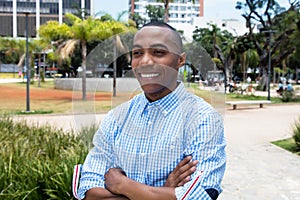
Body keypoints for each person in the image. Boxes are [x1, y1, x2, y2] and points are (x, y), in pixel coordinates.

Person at [78, 21, 226, 200]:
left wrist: (123, 185)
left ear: (180, 59)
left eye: (159, 52)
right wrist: (160, 192)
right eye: (137, 53)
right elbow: (88, 191)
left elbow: (202, 195)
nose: (145, 61)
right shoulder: (117, 117)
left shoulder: (203, 119)